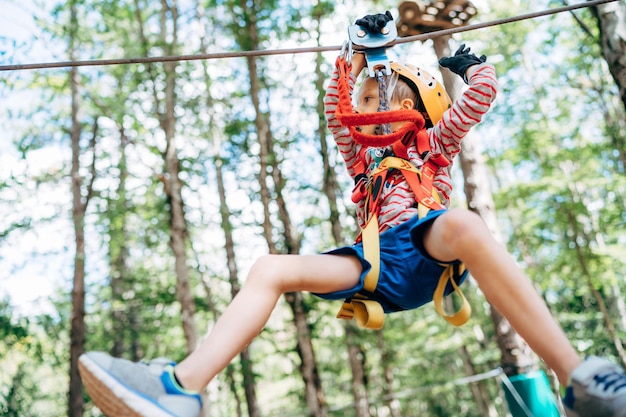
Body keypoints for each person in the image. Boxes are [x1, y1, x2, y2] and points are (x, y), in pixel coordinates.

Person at [79, 13, 626, 417]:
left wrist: (468, 64)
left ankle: (577, 378)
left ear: (418, 104)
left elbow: (478, 97)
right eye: (364, 100)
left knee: (462, 224)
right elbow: (334, 110)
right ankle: (181, 389)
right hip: (374, 266)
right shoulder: (360, 157)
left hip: (427, 249)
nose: (369, 107)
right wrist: (352, 57)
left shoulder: (432, 144)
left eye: (382, 97)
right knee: (272, 267)